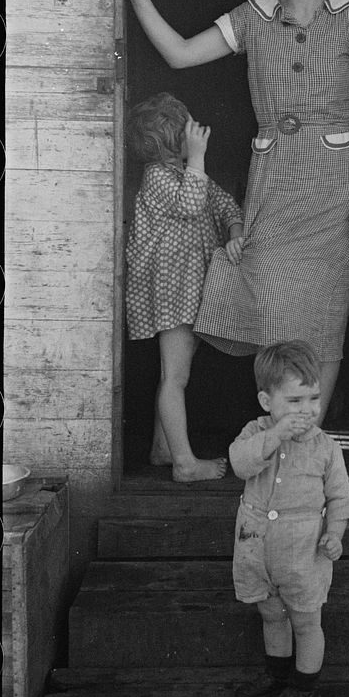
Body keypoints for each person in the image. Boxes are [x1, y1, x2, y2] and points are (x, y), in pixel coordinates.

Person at [117, 0, 349, 423]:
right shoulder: (255, 15)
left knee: (325, 320)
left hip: (335, 185)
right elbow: (181, 53)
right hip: (274, 183)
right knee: (271, 310)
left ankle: (304, 443)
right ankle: (281, 432)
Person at [228, 340, 349, 697]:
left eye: (313, 398)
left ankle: (304, 689)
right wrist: (276, 434)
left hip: (303, 553)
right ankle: (277, 676)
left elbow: (340, 498)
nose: (307, 410)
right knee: (271, 614)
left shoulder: (327, 448)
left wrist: (335, 534)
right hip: (257, 550)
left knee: (305, 619)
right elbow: (240, 462)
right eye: (295, 401)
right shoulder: (256, 432)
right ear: (268, 402)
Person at [125, 92, 244, 482]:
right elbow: (193, 204)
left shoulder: (186, 174)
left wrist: (235, 231)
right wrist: (198, 158)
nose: (197, 132)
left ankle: (163, 450)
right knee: (175, 376)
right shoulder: (159, 176)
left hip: (190, 289)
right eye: (189, 127)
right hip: (172, 290)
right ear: (173, 140)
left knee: (174, 374)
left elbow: (223, 202)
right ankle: (185, 464)